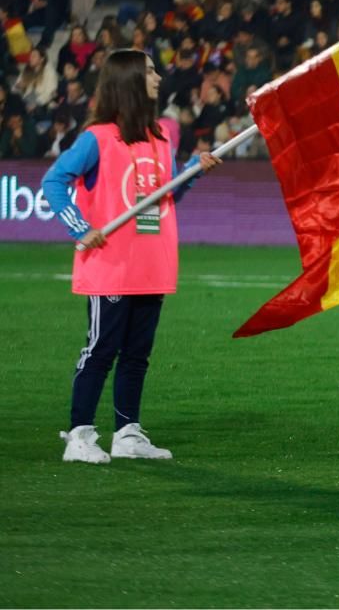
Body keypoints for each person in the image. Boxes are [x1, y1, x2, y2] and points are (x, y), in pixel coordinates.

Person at [41, 49, 221, 464]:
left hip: (151, 263)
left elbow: (164, 196)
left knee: (137, 355)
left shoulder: (159, 136)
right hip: (111, 266)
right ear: (130, 80)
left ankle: (128, 434)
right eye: (151, 70)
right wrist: (79, 228)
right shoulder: (99, 137)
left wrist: (192, 171)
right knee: (100, 350)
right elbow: (54, 181)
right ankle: (80, 437)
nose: (158, 77)